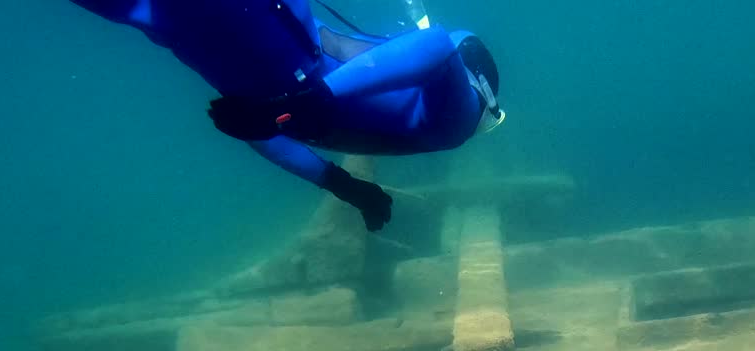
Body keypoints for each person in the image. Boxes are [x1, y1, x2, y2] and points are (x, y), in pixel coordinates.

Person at [68, 0, 504, 232]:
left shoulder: (456, 121)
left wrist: (343, 184)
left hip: (207, 37)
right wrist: (304, 110)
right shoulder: (435, 120)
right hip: (243, 38)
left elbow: (437, 47)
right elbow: (436, 46)